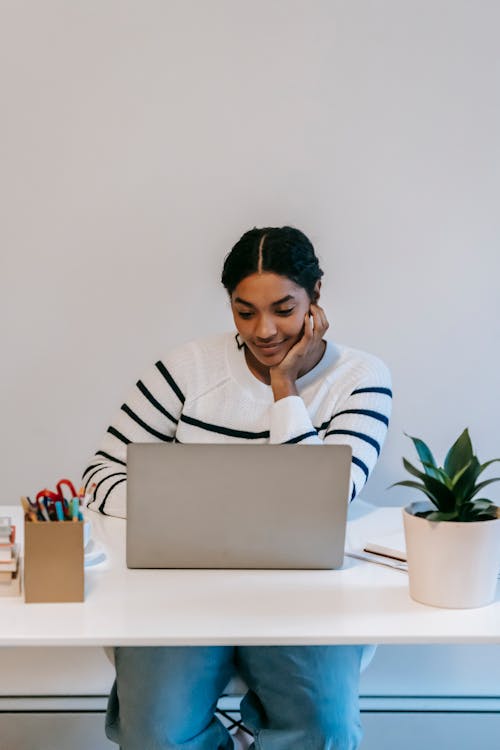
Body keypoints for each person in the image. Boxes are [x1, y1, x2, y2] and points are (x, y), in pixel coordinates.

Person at [83, 226, 392, 750]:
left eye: (284, 308)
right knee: (157, 735)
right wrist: (181, 514)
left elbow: (323, 499)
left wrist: (284, 390)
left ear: (316, 295)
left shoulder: (359, 378)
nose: (264, 329)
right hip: (182, 588)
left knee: (325, 733)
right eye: (245, 311)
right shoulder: (187, 368)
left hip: (306, 593)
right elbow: (100, 475)